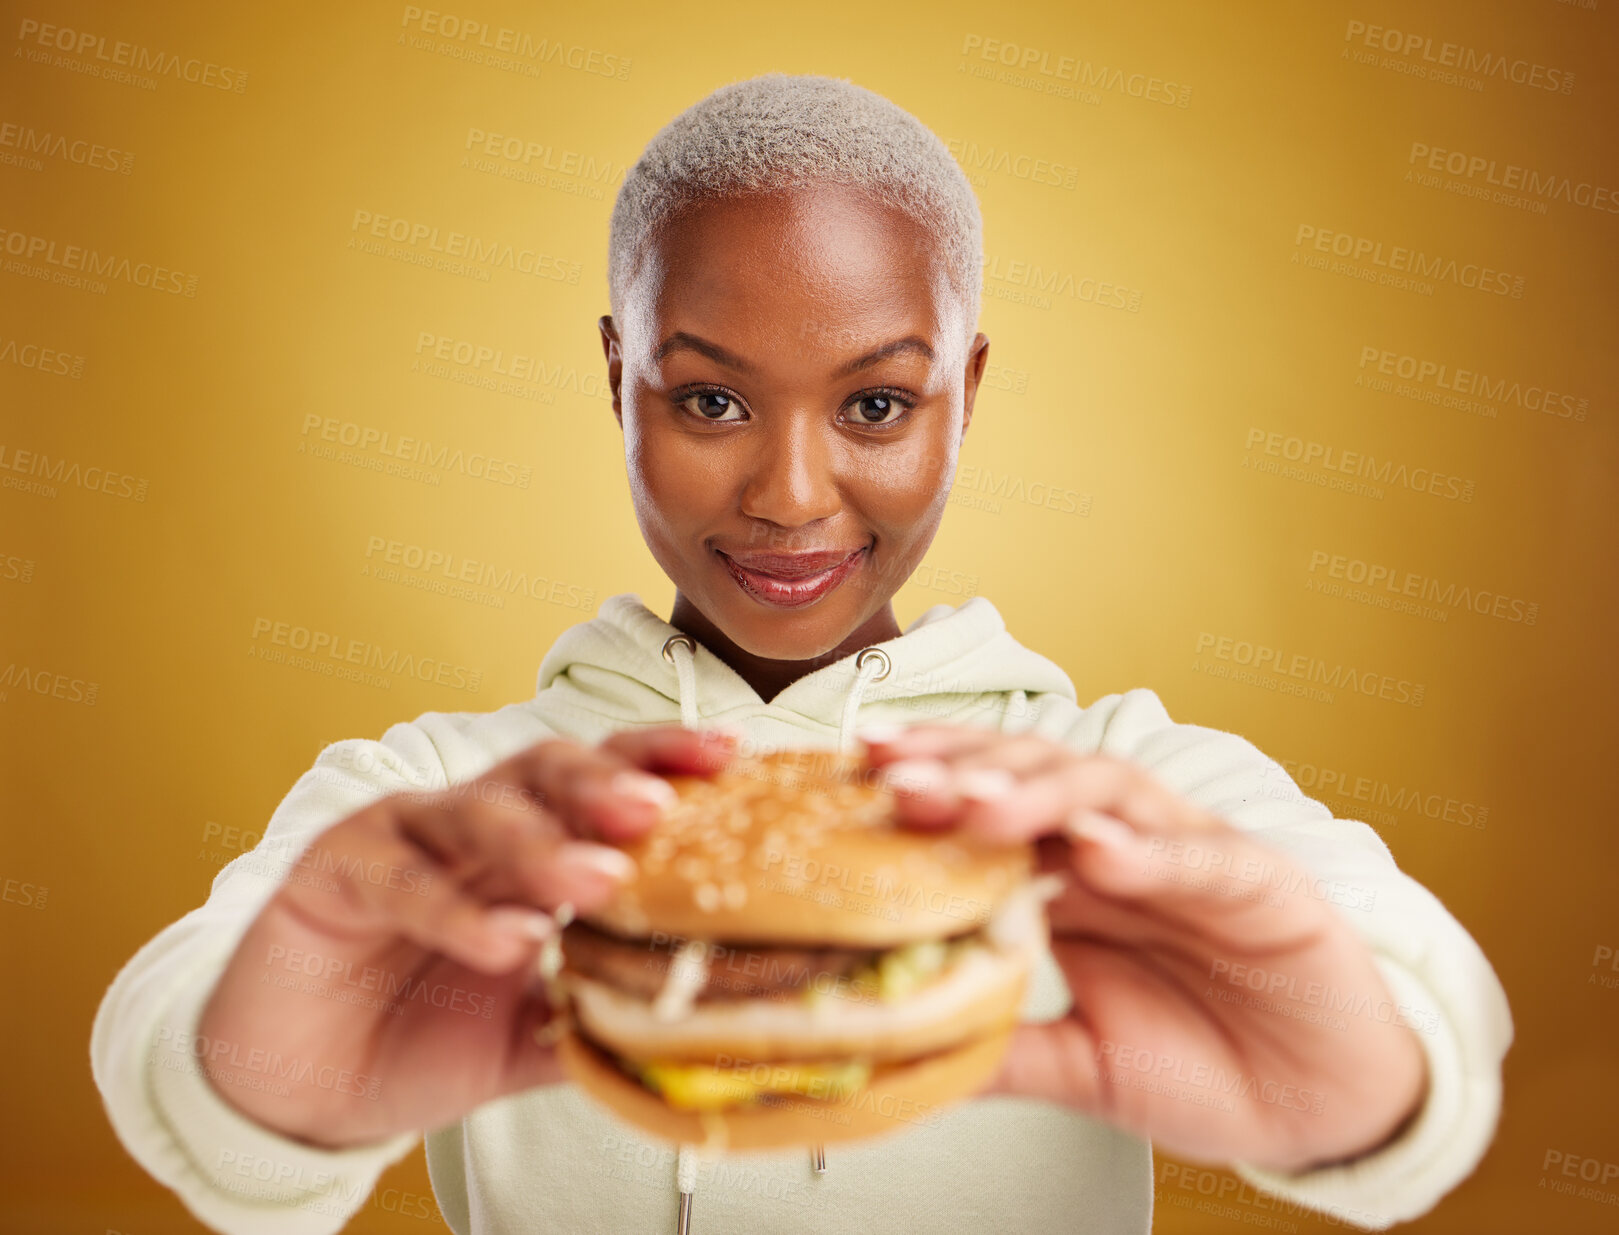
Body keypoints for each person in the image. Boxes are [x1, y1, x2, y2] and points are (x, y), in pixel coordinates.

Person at [89, 72, 1512, 1235]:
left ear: (968, 392)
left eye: (878, 406)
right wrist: (266, 1083)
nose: (790, 494)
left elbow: (1422, 999)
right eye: (708, 397)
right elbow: (177, 1045)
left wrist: (1368, 1080)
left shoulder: (1106, 795)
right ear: (615, 382)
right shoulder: (457, 809)